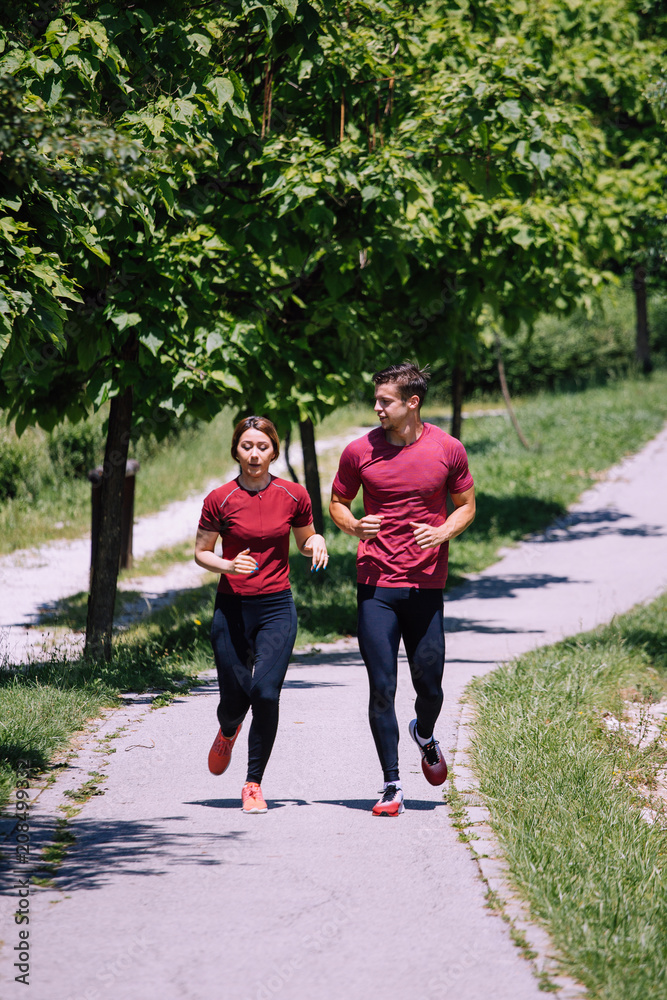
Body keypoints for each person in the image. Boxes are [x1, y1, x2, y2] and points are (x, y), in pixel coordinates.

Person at [329, 363, 475, 816]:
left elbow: (466, 506)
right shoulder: (358, 452)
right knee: (381, 686)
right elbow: (337, 502)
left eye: (385, 401)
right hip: (376, 584)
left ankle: (425, 733)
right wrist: (354, 524)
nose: (376, 408)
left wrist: (443, 533)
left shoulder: (447, 449)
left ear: (412, 402)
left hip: (425, 584)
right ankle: (391, 784)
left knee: (430, 685)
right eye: (376, 400)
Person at [195, 415, 328, 814]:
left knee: (266, 693)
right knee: (235, 701)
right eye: (247, 446)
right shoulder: (219, 498)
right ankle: (228, 728)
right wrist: (227, 565)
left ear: (274, 451)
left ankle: (253, 783)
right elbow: (202, 552)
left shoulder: (293, 495)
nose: (254, 454)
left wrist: (317, 542)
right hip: (232, 606)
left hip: (275, 607)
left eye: (263, 447)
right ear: (236, 449)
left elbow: (305, 540)